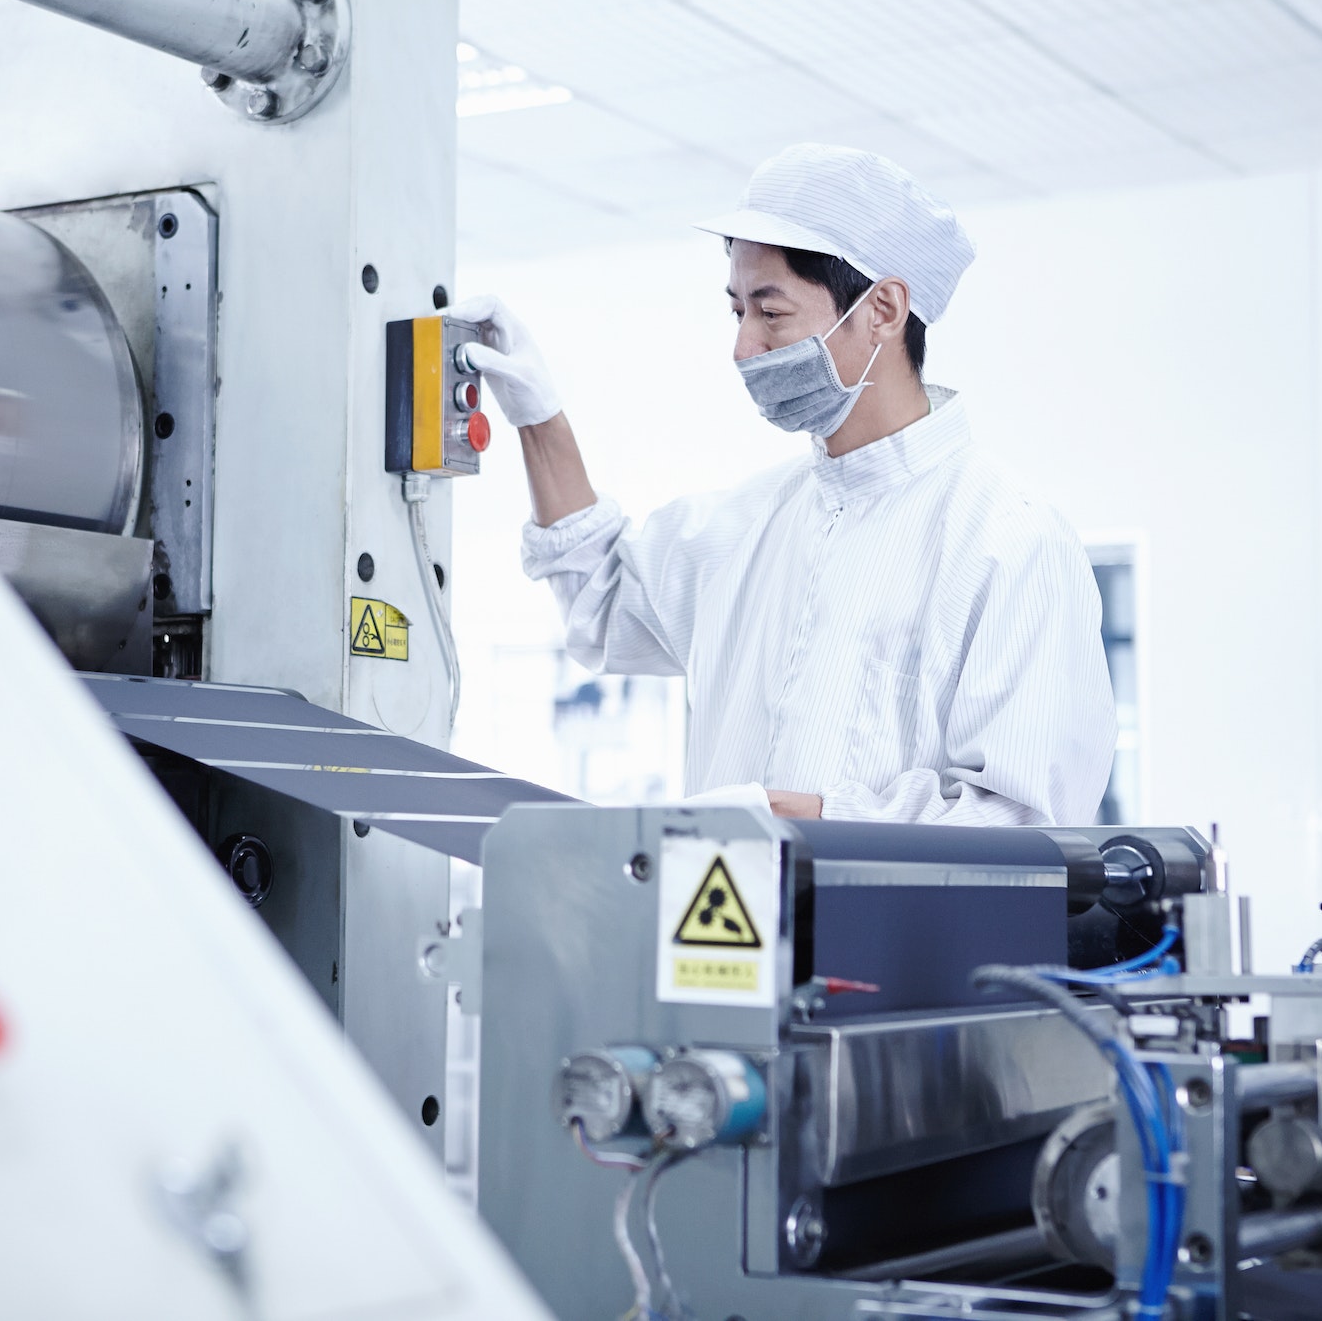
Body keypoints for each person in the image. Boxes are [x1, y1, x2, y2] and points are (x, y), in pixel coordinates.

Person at [451, 144, 1115, 825]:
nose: (743, 347)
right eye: (736, 310)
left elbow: (1028, 824)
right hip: (720, 932)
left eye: (771, 313)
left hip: (891, 934)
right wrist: (539, 419)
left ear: (883, 308)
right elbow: (603, 600)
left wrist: (794, 821)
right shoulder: (744, 526)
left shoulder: (1010, 543)